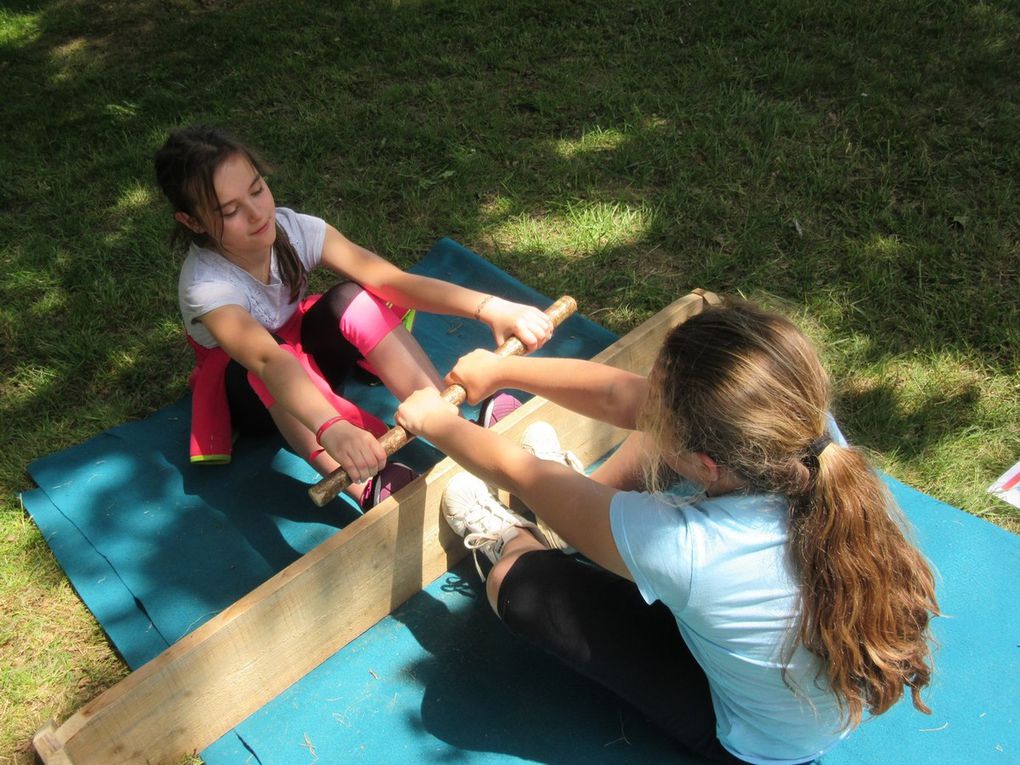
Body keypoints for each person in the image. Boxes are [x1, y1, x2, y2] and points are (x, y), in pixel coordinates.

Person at [394, 298, 939, 765]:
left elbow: (518, 472)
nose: (646, 400)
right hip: (782, 679)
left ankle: (522, 537)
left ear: (708, 466)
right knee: (661, 432)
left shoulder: (695, 551)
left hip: (749, 741)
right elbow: (622, 400)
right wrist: (502, 371)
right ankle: (584, 512)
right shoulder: (803, 431)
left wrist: (436, 423)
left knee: (521, 588)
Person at [154, 126, 553, 509]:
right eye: (230, 211)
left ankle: (449, 420)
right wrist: (332, 427)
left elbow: (390, 280)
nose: (257, 213)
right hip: (254, 391)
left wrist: (491, 307)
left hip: (304, 357)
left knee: (354, 297)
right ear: (192, 222)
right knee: (269, 361)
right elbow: (266, 360)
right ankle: (364, 479)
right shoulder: (206, 286)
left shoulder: (293, 228)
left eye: (258, 189)